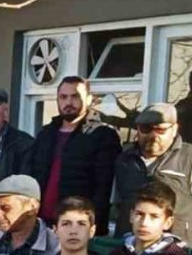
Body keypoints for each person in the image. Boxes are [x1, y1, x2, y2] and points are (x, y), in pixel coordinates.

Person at [113, 103, 192, 248]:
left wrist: (185, 223)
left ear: (174, 129)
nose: (153, 135)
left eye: (161, 130)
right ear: (138, 130)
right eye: (146, 129)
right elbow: (118, 202)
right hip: (132, 246)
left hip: (178, 247)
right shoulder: (124, 158)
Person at [27, 76, 122, 232]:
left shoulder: (102, 135)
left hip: (77, 225)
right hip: (41, 223)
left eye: (75, 96)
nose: (68, 103)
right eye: (63, 97)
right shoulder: (46, 134)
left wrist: (93, 225)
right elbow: (33, 175)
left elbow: (103, 188)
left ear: (89, 99)